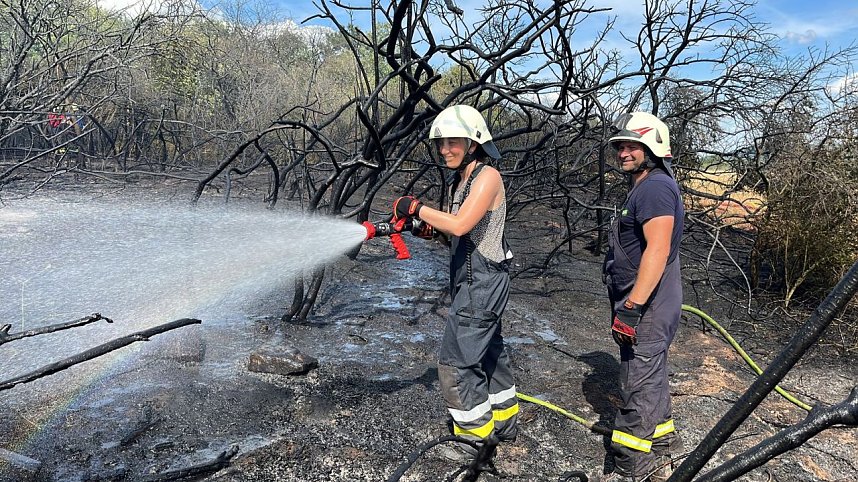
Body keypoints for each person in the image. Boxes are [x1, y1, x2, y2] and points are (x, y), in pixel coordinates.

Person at [392, 104, 519, 461]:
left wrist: (414, 208)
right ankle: (504, 425)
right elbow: (455, 231)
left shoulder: (487, 177)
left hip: (482, 283)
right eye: (441, 143)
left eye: (454, 142)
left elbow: (462, 224)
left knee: (456, 363)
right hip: (471, 281)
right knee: (490, 352)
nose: (445, 149)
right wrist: (424, 228)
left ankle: (474, 444)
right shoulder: (459, 180)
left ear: (474, 143)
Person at [601, 112, 684, 482]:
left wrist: (632, 308)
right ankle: (662, 452)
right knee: (651, 380)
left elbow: (657, 250)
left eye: (632, 145)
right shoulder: (646, 185)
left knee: (637, 387)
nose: (623, 152)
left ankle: (632, 468)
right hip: (647, 303)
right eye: (620, 145)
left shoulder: (654, 189)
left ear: (653, 148)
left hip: (647, 307)